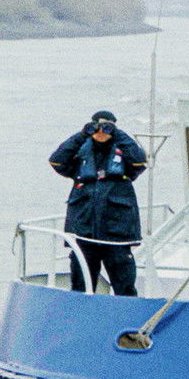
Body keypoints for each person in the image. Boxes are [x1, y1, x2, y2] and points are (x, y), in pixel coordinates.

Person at [48, 110, 148, 295]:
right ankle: (80, 318)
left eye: (106, 128)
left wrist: (117, 133)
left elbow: (140, 162)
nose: (101, 131)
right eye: (96, 127)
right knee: (81, 288)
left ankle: (125, 318)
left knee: (124, 288)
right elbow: (56, 161)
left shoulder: (125, 154)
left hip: (116, 234)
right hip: (84, 233)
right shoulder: (80, 154)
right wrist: (81, 134)